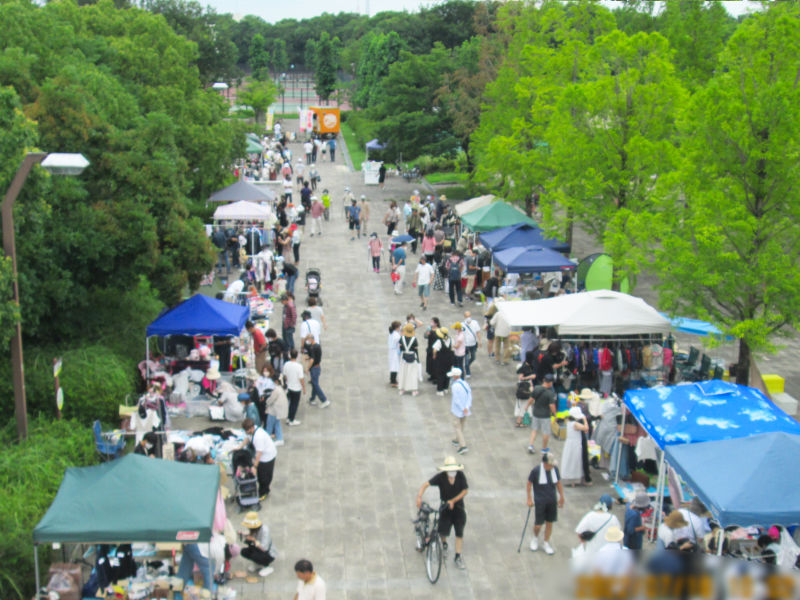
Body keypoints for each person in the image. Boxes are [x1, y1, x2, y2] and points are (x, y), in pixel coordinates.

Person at [416, 456, 469, 570]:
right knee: (442, 530)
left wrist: (453, 501)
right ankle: (444, 544)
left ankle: (458, 556)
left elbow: (465, 490)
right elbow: (425, 485)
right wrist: (419, 497)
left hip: (458, 507)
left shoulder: (460, 476)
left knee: (459, 532)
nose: (452, 473)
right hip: (445, 507)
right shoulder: (441, 478)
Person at [526, 452, 565, 555]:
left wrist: (561, 496)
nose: (552, 466)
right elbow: (529, 484)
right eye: (550, 464)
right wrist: (529, 498)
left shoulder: (555, 470)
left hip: (552, 500)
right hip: (540, 501)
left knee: (549, 523)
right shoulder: (536, 471)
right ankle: (535, 538)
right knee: (538, 524)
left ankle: (546, 542)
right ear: (544, 463)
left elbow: (558, 483)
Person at [242, 417, 277, 499]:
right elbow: (247, 438)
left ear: (251, 428)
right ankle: (263, 490)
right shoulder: (252, 431)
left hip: (268, 456)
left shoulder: (258, 437)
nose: (246, 432)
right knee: (261, 474)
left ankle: (264, 492)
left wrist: (255, 467)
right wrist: (239, 447)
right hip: (263, 455)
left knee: (264, 476)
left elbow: (259, 454)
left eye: (247, 430)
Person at [525, 374, 556, 454]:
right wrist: (555, 414)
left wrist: (527, 406)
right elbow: (551, 405)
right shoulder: (550, 393)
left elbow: (531, 399)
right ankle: (544, 448)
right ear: (550, 383)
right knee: (546, 432)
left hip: (536, 413)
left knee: (534, 430)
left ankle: (531, 445)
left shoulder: (537, 388)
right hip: (545, 415)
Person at [240, 511, 276, 577]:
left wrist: (253, 540)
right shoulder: (254, 530)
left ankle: (266, 566)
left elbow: (264, 548)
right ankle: (258, 564)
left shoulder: (265, 530)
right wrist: (244, 535)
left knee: (255, 555)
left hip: (268, 553)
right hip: (258, 549)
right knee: (244, 551)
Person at [561, 406, 590, 486]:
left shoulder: (568, 422)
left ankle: (571, 481)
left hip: (570, 444)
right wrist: (584, 419)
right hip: (575, 445)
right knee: (575, 461)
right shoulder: (575, 424)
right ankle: (573, 480)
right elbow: (586, 428)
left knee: (570, 460)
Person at [302, 333, 329, 408]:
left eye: (308, 339)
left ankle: (324, 400)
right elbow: (305, 345)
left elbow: (312, 360)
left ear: (311, 339)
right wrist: (305, 338)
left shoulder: (313, 348)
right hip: (317, 367)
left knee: (315, 385)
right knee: (314, 383)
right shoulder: (316, 346)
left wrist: (307, 368)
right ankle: (312, 399)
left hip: (314, 368)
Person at [448, 367, 471, 454]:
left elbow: (456, 400)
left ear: (455, 376)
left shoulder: (455, 386)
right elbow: (469, 396)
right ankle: (457, 440)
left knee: (457, 427)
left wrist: (462, 408)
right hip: (465, 409)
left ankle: (463, 445)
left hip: (457, 410)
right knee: (461, 425)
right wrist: (466, 407)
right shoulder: (465, 384)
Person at [282, 349, 305, 426]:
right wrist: (304, 388)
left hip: (289, 386)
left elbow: (285, 376)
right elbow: (301, 378)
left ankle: (288, 418)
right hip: (296, 388)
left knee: (290, 403)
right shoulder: (299, 366)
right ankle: (291, 419)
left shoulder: (286, 364)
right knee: (294, 404)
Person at [398, 323, 420, 396]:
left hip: (404, 357)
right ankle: (414, 390)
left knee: (403, 373)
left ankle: (402, 389)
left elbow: (400, 347)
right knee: (412, 374)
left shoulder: (402, 338)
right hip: (412, 357)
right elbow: (416, 349)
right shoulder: (414, 339)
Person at [432, 327, 454, 396]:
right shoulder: (451, 339)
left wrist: (434, 355)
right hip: (449, 359)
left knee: (440, 374)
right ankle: (446, 388)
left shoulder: (439, 341)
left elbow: (435, 350)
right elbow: (453, 348)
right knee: (448, 373)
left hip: (441, 360)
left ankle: (440, 390)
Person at [462, 311, 481, 378]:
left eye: (469, 316)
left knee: (473, 357)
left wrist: (479, 341)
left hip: (473, 344)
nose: (468, 318)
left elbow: (478, 332)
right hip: (466, 345)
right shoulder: (462, 324)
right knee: (466, 359)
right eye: (467, 316)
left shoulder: (475, 323)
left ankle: (467, 365)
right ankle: (467, 371)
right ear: (464, 317)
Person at [387, 320, 401, 388]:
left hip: (391, 351)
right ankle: (393, 381)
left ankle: (392, 379)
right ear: (397, 327)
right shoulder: (396, 335)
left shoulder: (391, 332)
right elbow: (398, 343)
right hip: (395, 351)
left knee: (392, 365)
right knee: (395, 366)